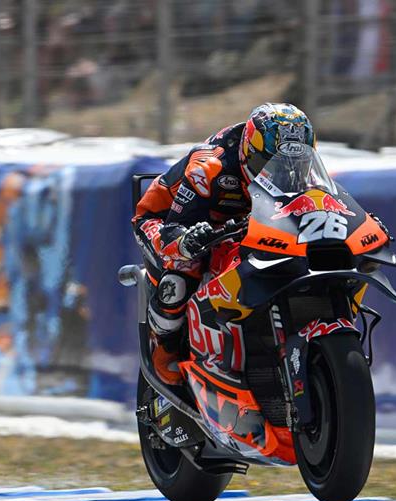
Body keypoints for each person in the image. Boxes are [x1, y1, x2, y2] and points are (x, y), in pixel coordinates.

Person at [132, 103, 315, 384]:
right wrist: (187, 240)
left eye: (295, 163)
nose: (284, 172)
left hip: (246, 222)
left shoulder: (301, 170)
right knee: (183, 267)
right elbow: (174, 228)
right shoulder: (210, 168)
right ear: (248, 153)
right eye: (270, 164)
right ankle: (165, 346)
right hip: (166, 219)